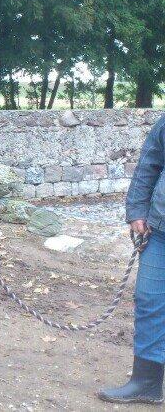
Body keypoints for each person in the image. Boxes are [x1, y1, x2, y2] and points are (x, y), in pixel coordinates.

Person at [99, 116, 165, 405]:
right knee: (149, 301)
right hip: (160, 229)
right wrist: (137, 210)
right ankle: (146, 383)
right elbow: (149, 164)